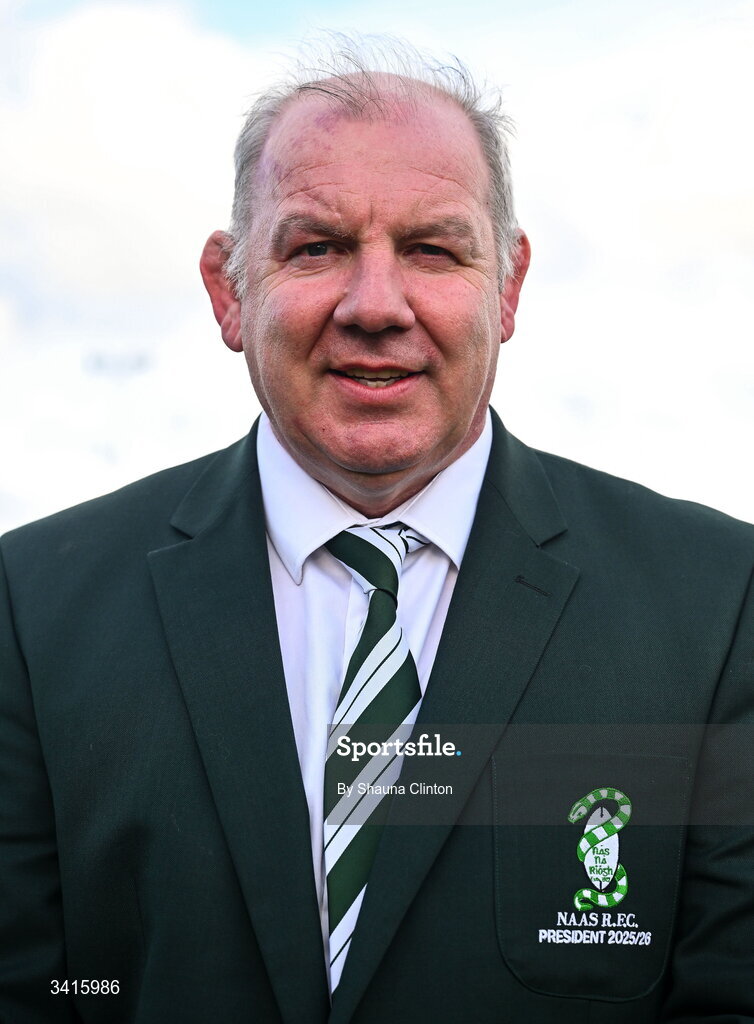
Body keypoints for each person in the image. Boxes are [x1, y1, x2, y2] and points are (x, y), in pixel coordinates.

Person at [1, 36, 753, 1024]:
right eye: (315, 248)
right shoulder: (34, 609)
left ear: (509, 286)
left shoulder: (714, 606)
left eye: (432, 249)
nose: (375, 305)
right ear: (229, 290)